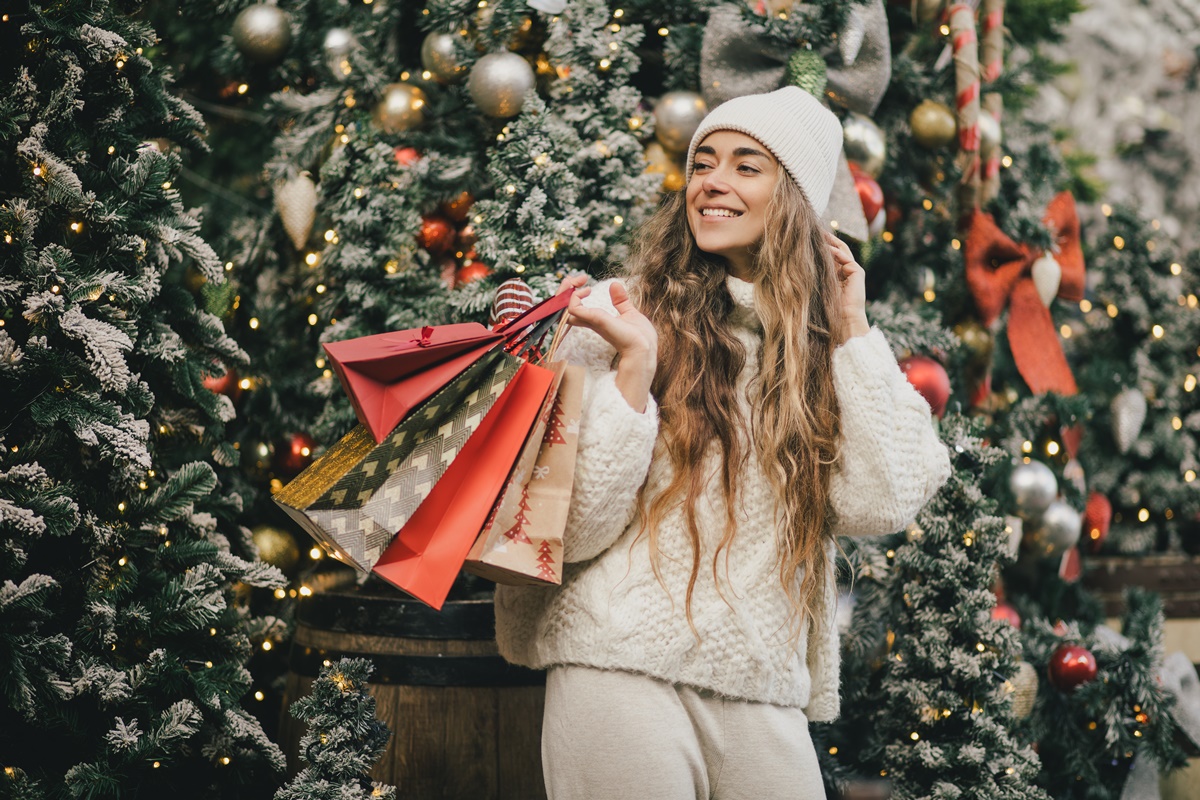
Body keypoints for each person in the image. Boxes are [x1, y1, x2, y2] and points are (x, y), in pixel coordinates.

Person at [494, 86, 952, 800]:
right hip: (615, 666)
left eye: (746, 166)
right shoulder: (617, 316)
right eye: (703, 162)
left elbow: (883, 498)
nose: (711, 181)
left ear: (795, 197)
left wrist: (854, 327)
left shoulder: (823, 352)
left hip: (760, 682)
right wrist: (634, 369)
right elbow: (567, 531)